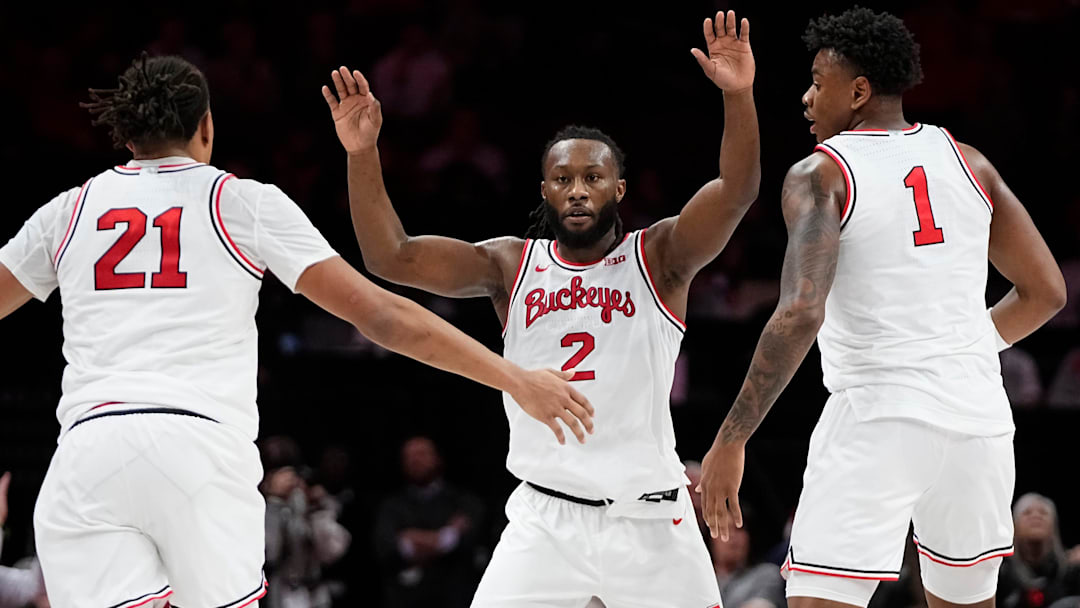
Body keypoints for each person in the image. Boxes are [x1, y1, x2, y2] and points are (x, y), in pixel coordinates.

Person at [0, 53, 594, 608]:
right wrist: (513, 378)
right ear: (206, 128)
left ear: (127, 138)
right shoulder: (239, 202)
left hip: (87, 456)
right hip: (198, 452)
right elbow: (381, 315)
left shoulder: (67, 211)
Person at [321, 10, 759, 607]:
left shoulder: (660, 256)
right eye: (562, 178)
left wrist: (739, 96)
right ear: (545, 190)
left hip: (651, 524)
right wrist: (362, 154)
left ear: (618, 189)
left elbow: (736, 192)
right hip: (546, 519)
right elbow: (391, 257)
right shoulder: (509, 265)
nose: (578, 189)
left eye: (593, 177)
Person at [696, 7, 1067, 608]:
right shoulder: (969, 161)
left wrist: (732, 437)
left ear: (859, 90)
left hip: (877, 417)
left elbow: (800, 312)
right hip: (980, 423)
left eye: (818, 81)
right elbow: (1046, 293)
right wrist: (963, 347)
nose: (807, 98)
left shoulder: (821, 173)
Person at [373, 436, 486, 608]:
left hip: (454, 597)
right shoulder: (391, 506)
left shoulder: (464, 501)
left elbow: (467, 542)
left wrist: (413, 538)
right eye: (409, 456)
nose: (415, 460)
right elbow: (388, 547)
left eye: (421, 454)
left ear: (437, 458)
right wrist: (445, 536)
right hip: (406, 599)